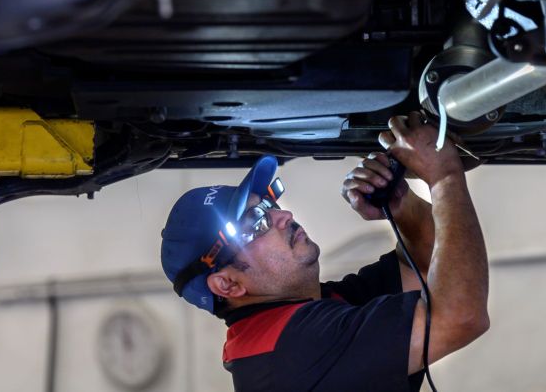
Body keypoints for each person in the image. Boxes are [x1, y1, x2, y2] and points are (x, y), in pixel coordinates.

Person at [160, 112, 489, 391]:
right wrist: (444, 176)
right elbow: (460, 317)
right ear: (228, 284)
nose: (283, 216)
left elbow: (424, 264)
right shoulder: (290, 350)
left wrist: (399, 203)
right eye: (256, 221)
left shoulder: (305, 314)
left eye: (270, 205)